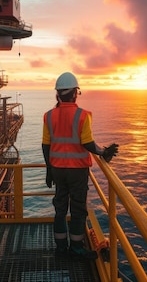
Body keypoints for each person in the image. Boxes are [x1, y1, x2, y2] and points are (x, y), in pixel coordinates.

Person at [42, 72, 119, 259]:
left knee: (60, 209)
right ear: (75, 93)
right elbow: (87, 143)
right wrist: (102, 152)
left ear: (58, 94)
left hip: (58, 169)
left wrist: (49, 170)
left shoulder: (49, 116)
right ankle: (76, 249)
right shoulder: (83, 115)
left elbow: (46, 145)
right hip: (77, 171)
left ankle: (60, 249)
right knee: (77, 209)